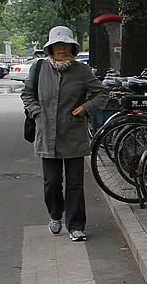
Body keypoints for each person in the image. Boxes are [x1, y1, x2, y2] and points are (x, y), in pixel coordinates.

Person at [22, 26, 107, 241]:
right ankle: (55, 213)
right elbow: (27, 94)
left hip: (73, 134)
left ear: (72, 47)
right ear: (50, 48)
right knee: (51, 182)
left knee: (75, 183)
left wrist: (87, 108)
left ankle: (76, 225)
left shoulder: (82, 71)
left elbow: (102, 94)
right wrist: (37, 113)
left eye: (65, 44)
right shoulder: (39, 68)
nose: (61, 48)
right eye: (57, 44)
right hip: (46, 133)